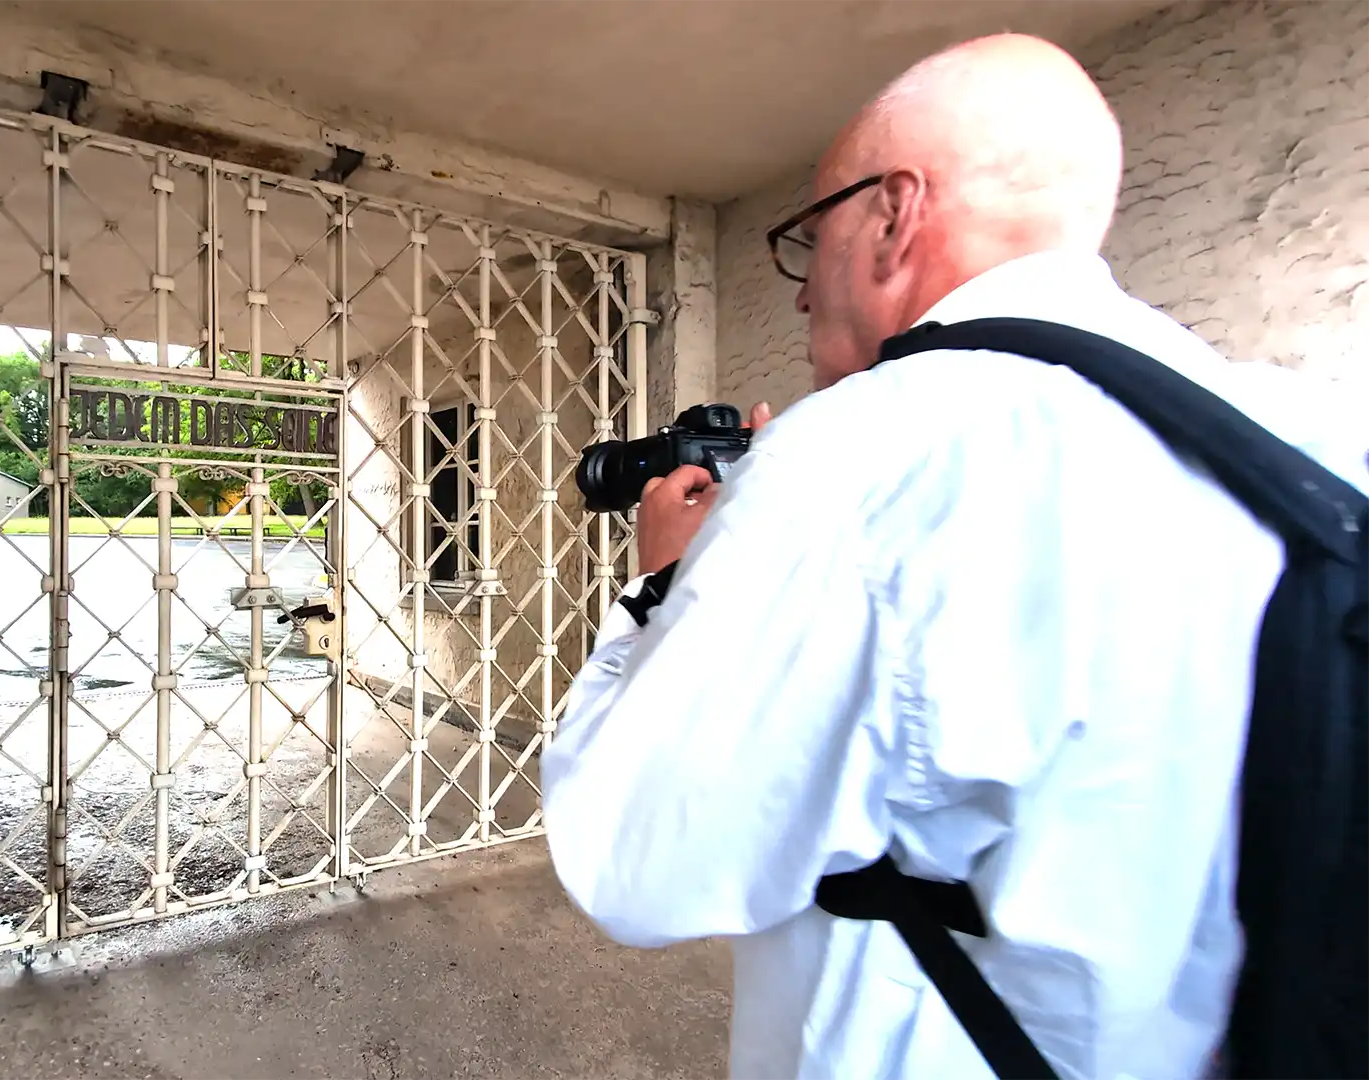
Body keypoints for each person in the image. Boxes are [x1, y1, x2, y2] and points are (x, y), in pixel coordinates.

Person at [539, 32, 1369, 1080]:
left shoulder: (868, 453)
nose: (799, 290)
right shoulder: (1310, 442)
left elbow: (636, 863)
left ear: (893, 215)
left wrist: (664, 581)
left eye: (807, 236)